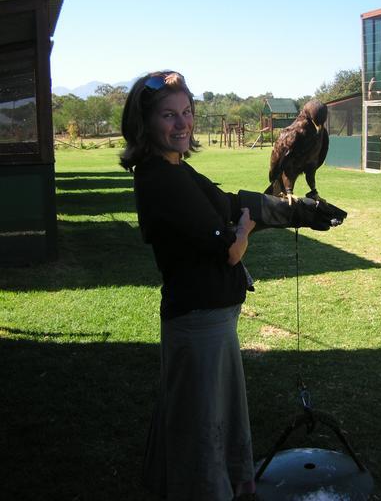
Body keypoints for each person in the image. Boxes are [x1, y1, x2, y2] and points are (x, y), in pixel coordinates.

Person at [120, 71, 346, 501]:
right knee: (200, 430)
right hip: (199, 324)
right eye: (169, 115)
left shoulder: (175, 169)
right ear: (144, 122)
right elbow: (228, 247)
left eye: (186, 112)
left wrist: (296, 213)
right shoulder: (161, 179)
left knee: (205, 421)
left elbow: (229, 205)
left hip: (210, 320)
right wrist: (239, 233)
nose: (182, 122)